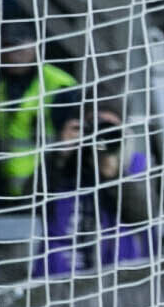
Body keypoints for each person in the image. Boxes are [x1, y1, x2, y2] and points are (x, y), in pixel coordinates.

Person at [35, 96, 154, 279]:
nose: (102, 135)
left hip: (118, 277)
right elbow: (28, 202)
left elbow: (145, 216)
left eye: (110, 128)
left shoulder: (135, 163)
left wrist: (114, 175)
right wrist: (59, 156)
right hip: (59, 278)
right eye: (97, 126)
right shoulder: (67, 162)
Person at [0, 33, 76, 202]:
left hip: (48, 185)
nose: (12, 55)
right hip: (6, 187)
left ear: (35, 47)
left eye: (18, 48)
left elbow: (71, 137)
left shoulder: (59, 84)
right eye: (6, 48)